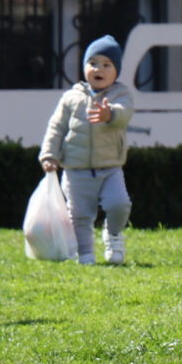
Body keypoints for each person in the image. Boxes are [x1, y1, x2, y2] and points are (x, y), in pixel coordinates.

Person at [41, 35, 134, 266]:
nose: (98, 69)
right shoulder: (71, 98)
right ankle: (86, 255)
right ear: (84, 67)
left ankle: (113, 235)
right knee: (79, 215)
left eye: (106, 64)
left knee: (119, 204)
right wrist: (49, 155)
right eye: (92, 63)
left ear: (116, 71)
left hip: (110, 167)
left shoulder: (120, 95)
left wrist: (109, 114)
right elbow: (56, 127)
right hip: (76, 169)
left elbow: (124, 114)